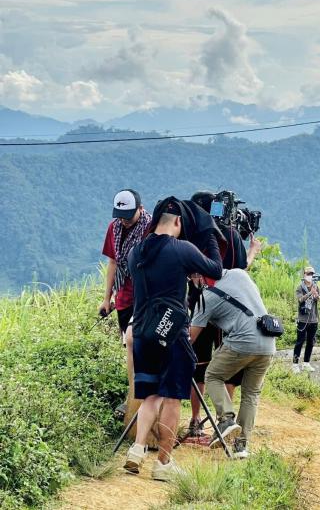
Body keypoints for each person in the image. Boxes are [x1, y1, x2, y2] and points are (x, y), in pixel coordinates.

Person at [123, 198, 223, 480]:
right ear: (178, 222)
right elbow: (215, 269)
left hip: (141, 331)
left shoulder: (136, 252)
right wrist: (210, 235)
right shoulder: (181, 250)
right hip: (171, 333)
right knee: (172, 397)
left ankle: (137, 449)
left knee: (151, 395)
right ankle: (163, 463)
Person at [185, 191, 262, 439]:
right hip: (231, 312)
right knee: (228, 369)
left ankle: (196, 421)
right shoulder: (230, 234)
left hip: (199, 305)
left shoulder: (190, 236)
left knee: (198, 365)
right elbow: (241, 272)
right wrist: (252, 253)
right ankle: (223, 423)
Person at [189, 268, 276, 459]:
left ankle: (226, 419)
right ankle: (241, 446)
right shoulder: (239, 274)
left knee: (212, 375)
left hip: (242, 342)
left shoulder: (207, 297)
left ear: (199, 275)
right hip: (268, 343)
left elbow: (190, 338)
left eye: (192, 276)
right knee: (251, 393)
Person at [99, 188, 151, 412]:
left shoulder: (151, 227)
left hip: (147, 296)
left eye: (129, 216)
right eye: (120, 216)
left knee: (143, 347)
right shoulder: (115, 228)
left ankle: (145, 396)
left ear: (140, 209)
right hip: (124, 297)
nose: (124, 220)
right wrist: (107, 298)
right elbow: (113, 262)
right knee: (129, 348)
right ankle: (133, 396)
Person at [292, 265, 320, 374]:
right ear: (304, 275)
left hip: (314, 319)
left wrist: (316, 295)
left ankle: (306, 363)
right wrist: (310, 293)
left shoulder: (316, 286)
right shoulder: (300, 287)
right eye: (308, 274)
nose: (310, 276)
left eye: (312, 274)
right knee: (299, 341)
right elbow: (300, 300)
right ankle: (295, 364)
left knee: (310, 342)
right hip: (303, 319)